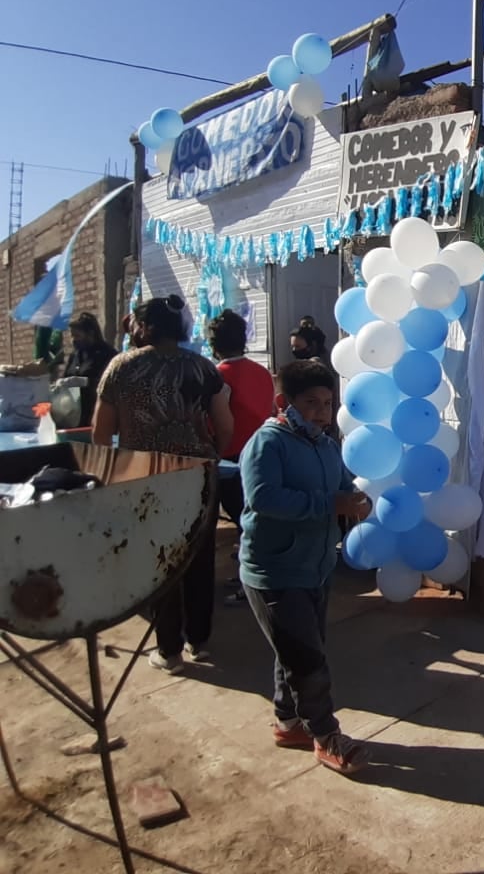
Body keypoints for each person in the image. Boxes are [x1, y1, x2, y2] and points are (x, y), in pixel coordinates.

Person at [238, 359, 372, 775]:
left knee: (297, 649)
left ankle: (288, 722)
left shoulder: (326, 444)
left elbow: (341, 486)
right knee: (307, 659)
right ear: (285, 402)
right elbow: (265, 499)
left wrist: (354, 500)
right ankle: (325, 734)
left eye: (328, 403)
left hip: (315, 566)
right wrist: (331, 505)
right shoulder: (268, 443)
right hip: (274, 570)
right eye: (311, 403)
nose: (321, 412)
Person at [93, 294, 234, 674]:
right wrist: (210, 455)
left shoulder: (121, 367)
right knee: (197, 558)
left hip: (146, 478)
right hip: (197, 476)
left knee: (160, 561)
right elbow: (224, 426)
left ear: (141, 327)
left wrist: (112, 476)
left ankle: (168, 650)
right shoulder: (203, 368)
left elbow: (101, 434)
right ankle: (199, 641)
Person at [206, 311, 276, 602]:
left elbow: (219, 423)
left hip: (232, 459)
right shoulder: (262, 372)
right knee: (258, 520)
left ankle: (251, 583)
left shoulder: (217, 376)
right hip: (264, 452)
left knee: (245, 524)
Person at [58, 313, 117, 428]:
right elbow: (65, 377)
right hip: (74, 416)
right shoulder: (75, 356)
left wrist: (86, 382)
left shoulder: (107, 354)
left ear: (90, 334)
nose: (73, 340)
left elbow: (113, 385)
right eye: (72, 336)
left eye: (77, 336)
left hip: (97, 415)